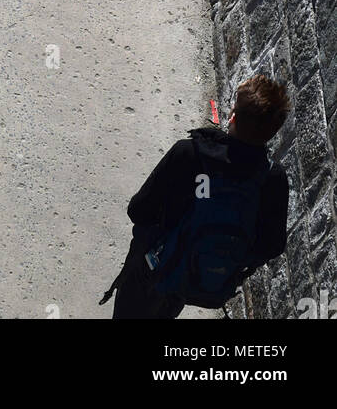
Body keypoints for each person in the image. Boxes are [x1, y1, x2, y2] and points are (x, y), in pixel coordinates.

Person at [102, 75, 291, 319]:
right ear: (271, 133)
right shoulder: (272, 178)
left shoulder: (190, 153)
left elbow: (139, 210)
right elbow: (272, 246)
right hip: (198, 276)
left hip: (153, 267)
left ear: (233, 116)